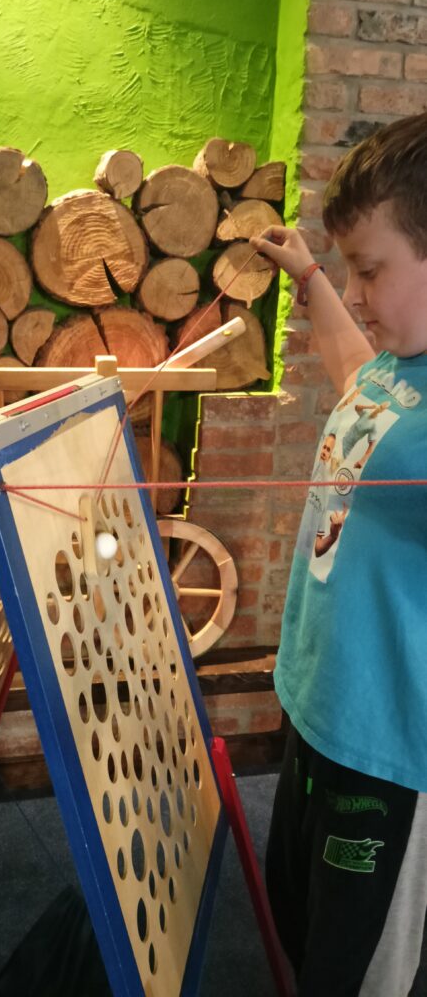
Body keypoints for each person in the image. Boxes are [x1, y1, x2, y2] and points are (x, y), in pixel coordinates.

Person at [250, 111, 427, 997]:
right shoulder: (400, 363)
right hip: (321, 705)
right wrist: (312, 279)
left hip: (390, 750)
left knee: (352, 974)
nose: (359, 293)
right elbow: (357, 378)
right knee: (298, 919)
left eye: (371, 269)